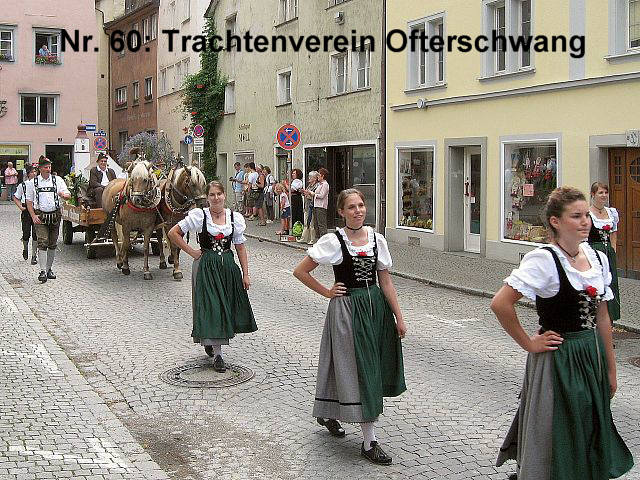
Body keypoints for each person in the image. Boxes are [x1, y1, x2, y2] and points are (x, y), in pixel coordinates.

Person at [492, 187, 633, 479]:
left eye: (586, 216)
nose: (585, 222)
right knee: (556, 431)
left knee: (587, 427)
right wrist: (529, 343)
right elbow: (501, 303)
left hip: (589, 354)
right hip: (559, 358)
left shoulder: (597, 258)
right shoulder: (543, 260)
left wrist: (611, 369)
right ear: (555, 221)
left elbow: (603, 319)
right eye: (576, 216)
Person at [293, 189, 407, 465]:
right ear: (341, 212)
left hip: (375, 310)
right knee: (355, 367)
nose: (358, 211)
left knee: (364, 366)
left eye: (361, 205)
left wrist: (399, 317)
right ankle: (369, 443)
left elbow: (386, 281)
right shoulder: (333, 241)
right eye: (352, 207)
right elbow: (300, 271)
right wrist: (327, 292)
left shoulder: (377, 240)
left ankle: (328, 411)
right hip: (347, 310)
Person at [167, 181, 257, 372]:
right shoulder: (200, 216)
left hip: (226, 268)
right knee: (212, 307)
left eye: (219, 194)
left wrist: (245, 274)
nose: (216, 198)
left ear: (224, 196)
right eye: (212, 195)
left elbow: (240, 247)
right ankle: (218, 355)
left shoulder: (234, 218)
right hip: (206, 266)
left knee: (224, 307)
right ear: (207, 198)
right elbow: (173, 233)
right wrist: (191, 252)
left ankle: (212, 342)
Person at [26, 157, 71, 283]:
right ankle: (42, 271)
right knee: (42, 241)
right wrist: (33, 216)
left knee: (52, 243)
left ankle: (49, 268)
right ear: (40, 168)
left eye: (49, 167)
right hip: (40, 215)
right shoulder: (33, 183)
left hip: (55, 215)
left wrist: (64, 195)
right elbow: (29, 202)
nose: (48, 169)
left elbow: (68, 194)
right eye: (45, 167)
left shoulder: (58, 180)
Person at [588, 182, 621, 323]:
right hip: (594, 253)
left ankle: (609, 324)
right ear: (593, 194)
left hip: (608, 255)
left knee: (610, 286)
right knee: (596, 287)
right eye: (600, 193)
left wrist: (612, 251)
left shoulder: (611, 212)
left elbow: (614, 234)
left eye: (606, 193)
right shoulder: (587, 214)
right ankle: (594, 324)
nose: (604, 196)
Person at [13, 165, 38, 265]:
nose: (34, 173)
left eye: (35, 172)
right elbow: (15, 197)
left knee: (36, 234)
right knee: (26, 233)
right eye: (32, 172)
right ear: (28, 174)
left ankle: (34, 255)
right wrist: (20, 207)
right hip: (26, 210)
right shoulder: (23, 185)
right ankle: (25, 248)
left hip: (36, 210)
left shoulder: (38, 184)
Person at [297, 171, 318, 244]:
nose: (308, 178)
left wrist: (307, 193)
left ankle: (312, 239)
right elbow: (307, 194)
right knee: (306, 223)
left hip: (311, 206)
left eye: (310, 177)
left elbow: (314, 196)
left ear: (314, 178)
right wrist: (303, 192)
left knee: (311, 223)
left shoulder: (316, 186)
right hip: (306, 206)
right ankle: (304, 238)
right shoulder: (309, 185)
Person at [312, 168, 330, 240]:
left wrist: (313, 194)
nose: (317, 177)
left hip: (321, 206)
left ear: (322, 176)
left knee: (321, 224)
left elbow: (322, 195)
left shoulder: (325, 184)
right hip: (316, 205)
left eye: (319, 175)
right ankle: (318, 239)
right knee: (316, 224)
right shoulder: (319, 184)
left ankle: (324, 240)